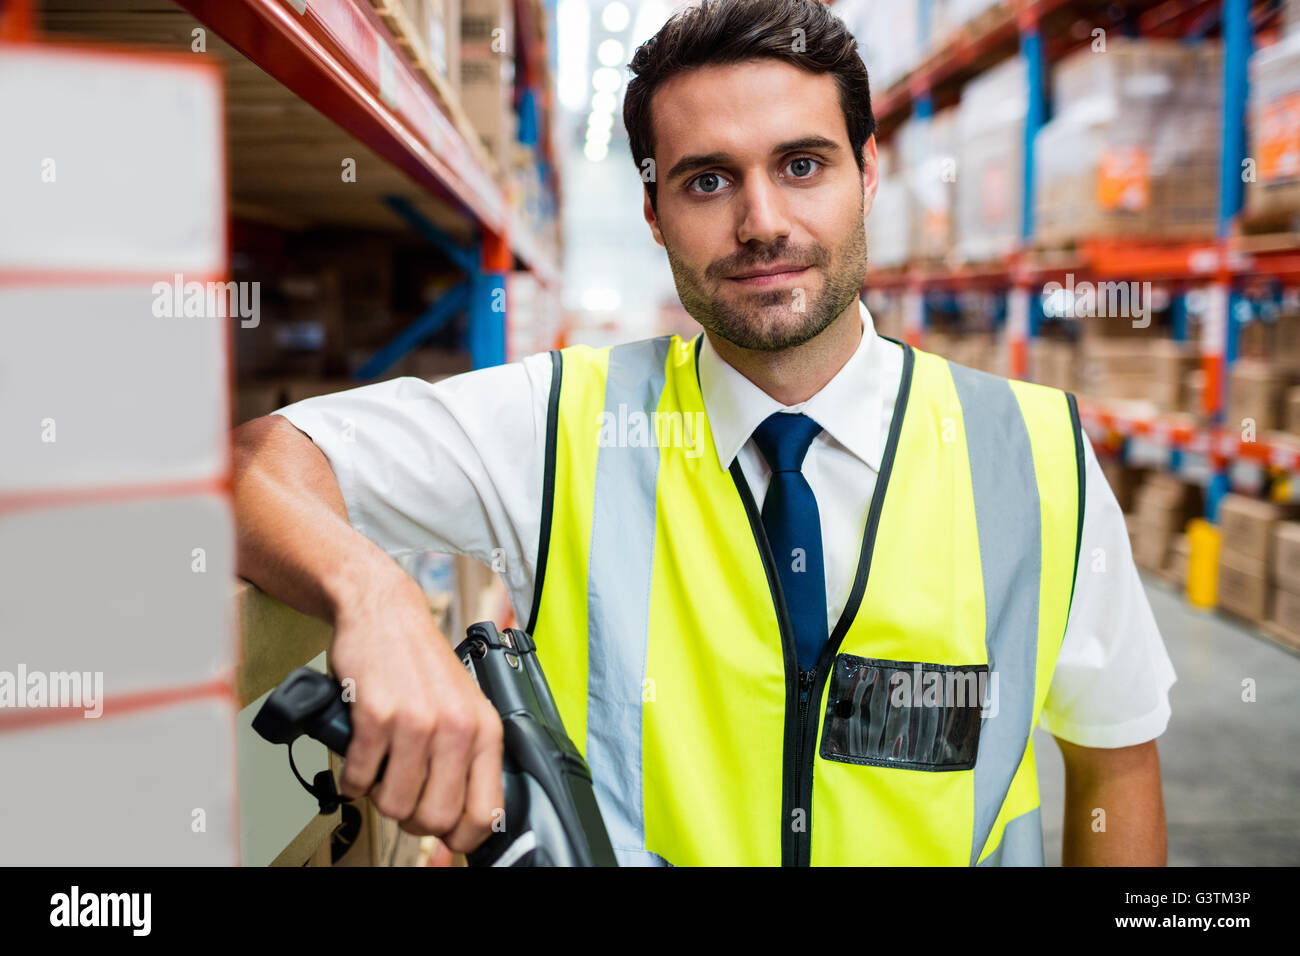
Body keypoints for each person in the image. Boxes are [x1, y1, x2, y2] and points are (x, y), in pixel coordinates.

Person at [233, 0, 1174, 865]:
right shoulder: (560, 425)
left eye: (801, 165)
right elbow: (251, 466)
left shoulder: (1035, 456)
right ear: (653, 213)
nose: (761, 223)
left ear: (868, 172)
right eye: (708, 180)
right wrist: (376, 597)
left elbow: (1116, 764)